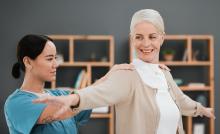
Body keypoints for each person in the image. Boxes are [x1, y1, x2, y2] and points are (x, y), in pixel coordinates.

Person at [33, 9, 215, 134]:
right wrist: (73, 98)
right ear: (131, 39)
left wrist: (201, 110)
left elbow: (181, 100)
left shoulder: (164, 73)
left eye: (152, 37)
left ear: (162, 38)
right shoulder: (127, 74)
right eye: (139, 37)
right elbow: (98, 94)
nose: (145, 44)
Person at [4, 34, 134, 134]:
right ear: (28, 62)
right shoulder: (16, 103)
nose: (56, 64)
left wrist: (110, 75)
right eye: (49, 59)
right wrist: (78, 98)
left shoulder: (60, 94)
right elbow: (64, 110)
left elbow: (88, 95)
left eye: (55, 58)